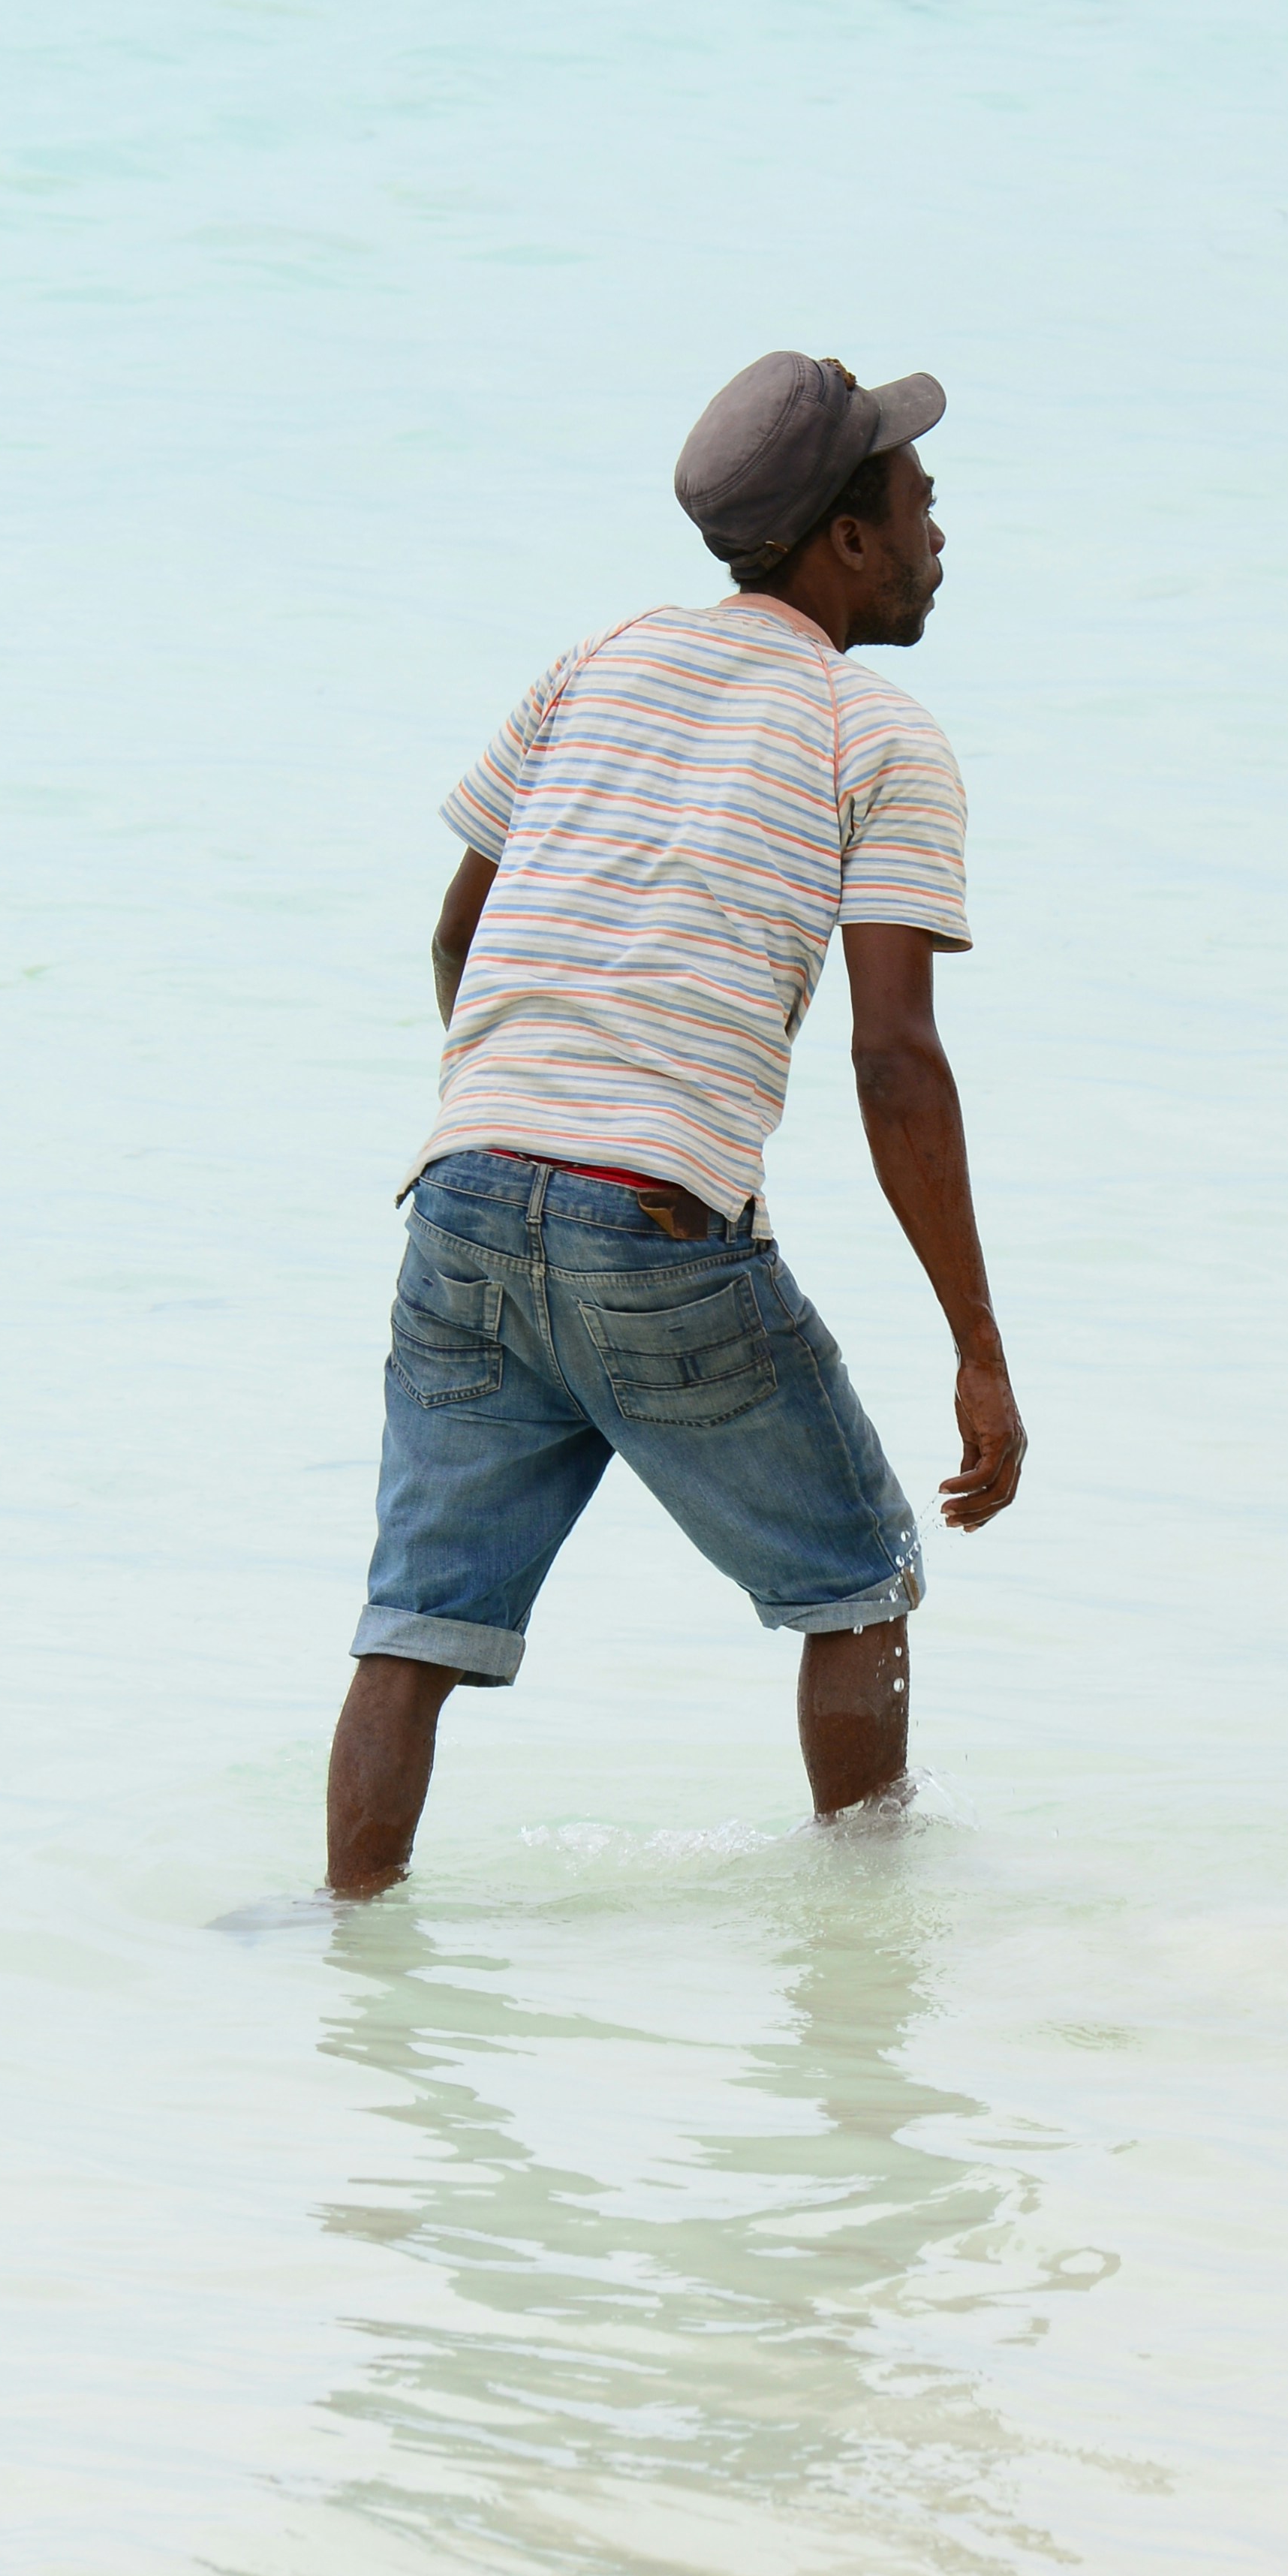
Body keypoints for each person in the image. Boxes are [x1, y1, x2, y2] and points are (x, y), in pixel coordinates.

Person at [326, 351, 1027, 1896]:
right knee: (855, 1582)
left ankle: (344, 1928)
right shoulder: (877, 734)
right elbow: (895, 1058)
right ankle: (864, 1945)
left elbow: (460, 928)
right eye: (914, 496)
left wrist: (513, 1123)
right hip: (654, 1221)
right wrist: (977, 1350)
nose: (933, 523)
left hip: (456, 1193)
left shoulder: (595, 661)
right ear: (843, 540)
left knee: (413, 1626)